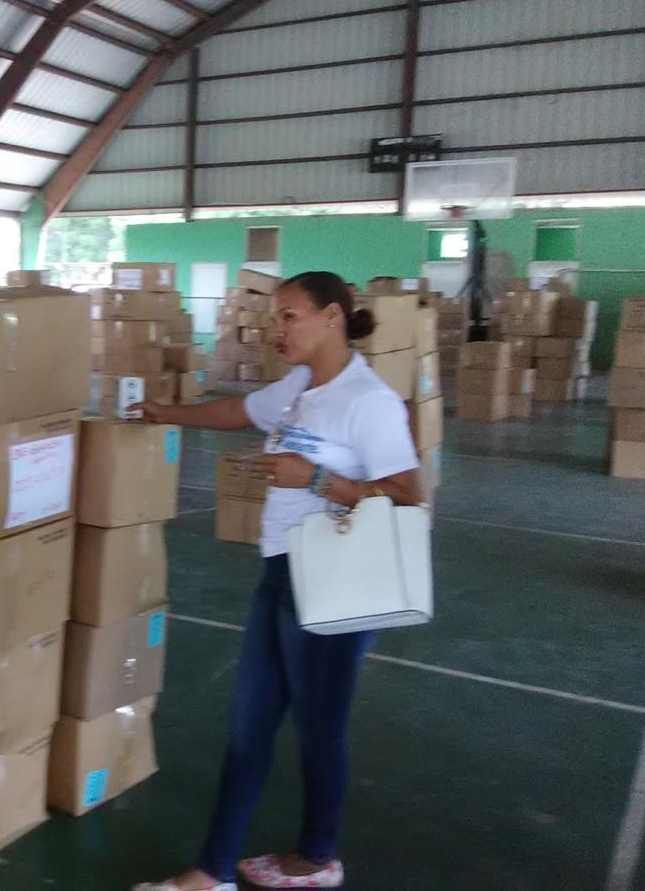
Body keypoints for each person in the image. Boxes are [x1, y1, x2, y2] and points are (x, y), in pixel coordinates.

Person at [132, 271, 422, 891]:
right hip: (279, 574)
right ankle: (210, 875)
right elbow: (238, 410)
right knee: (249, 727)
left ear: (333, 317)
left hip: (335, 584)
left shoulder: (367, 401)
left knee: (319, 728)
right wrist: (168, 412)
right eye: (275, 318)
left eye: (290, 316)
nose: (276, 329)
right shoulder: (298, 388)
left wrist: (317, 480)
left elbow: (406, 496)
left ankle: (318, 858)